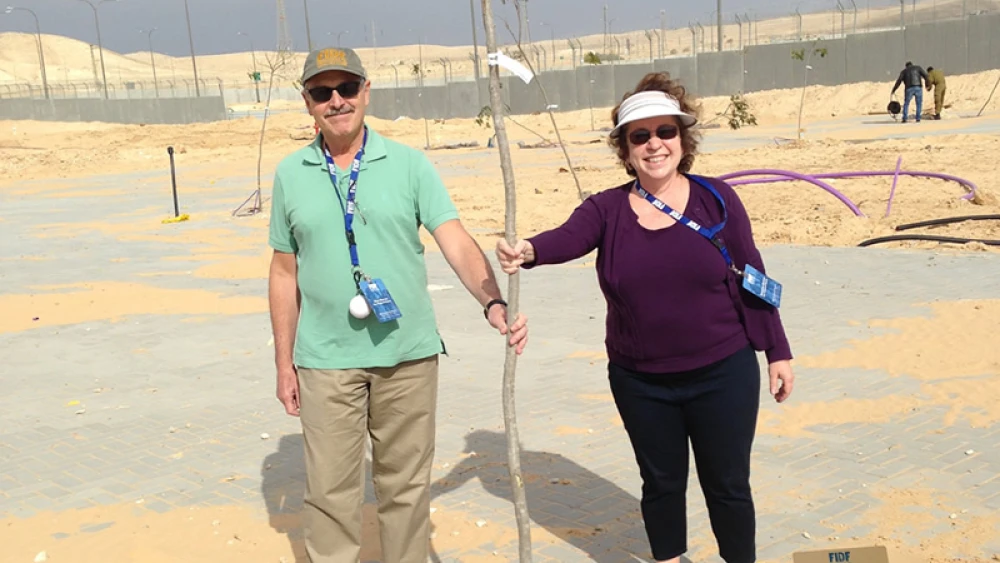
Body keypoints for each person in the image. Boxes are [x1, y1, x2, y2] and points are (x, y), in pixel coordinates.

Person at [496, 72, 795, 563]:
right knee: (661, 483)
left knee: (727, 485)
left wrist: (776, 352)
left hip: (724, 372)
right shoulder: (607, 210)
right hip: (642, 382)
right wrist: (527, 250)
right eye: (640, 136)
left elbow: (752, 276)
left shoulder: (717, 199)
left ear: (682, 138)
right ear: (625, 148)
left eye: (665, 132)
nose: (655, 145)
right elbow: (568, 237)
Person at [267, 46, 528, 563]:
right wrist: (283, 362)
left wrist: (491, 300)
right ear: (308, 103)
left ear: (366, 92)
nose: (336, 101)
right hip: (325, 360)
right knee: (329, 494)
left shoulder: (409, 164)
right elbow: (283, 272)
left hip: (407, 356)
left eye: (347, 89)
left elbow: (452, 238)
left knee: (405, 490)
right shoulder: (290, 173)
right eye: (323, 92)